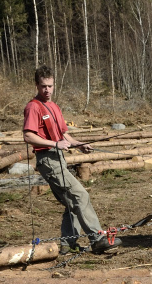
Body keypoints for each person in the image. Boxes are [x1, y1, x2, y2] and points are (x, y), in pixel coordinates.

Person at [22, 65, 122, 254]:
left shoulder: (54, 106)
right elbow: (28, 136)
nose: (47, 90)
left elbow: (64, 135)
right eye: (43, 86)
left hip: (58, 159)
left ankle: (68, 244)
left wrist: (79, 145)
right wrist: (54, 144)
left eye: (50, 86)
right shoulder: (33, 107)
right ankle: (98, 238)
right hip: (48, 160)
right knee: (80, 196)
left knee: (71, 203)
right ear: (36, 85)